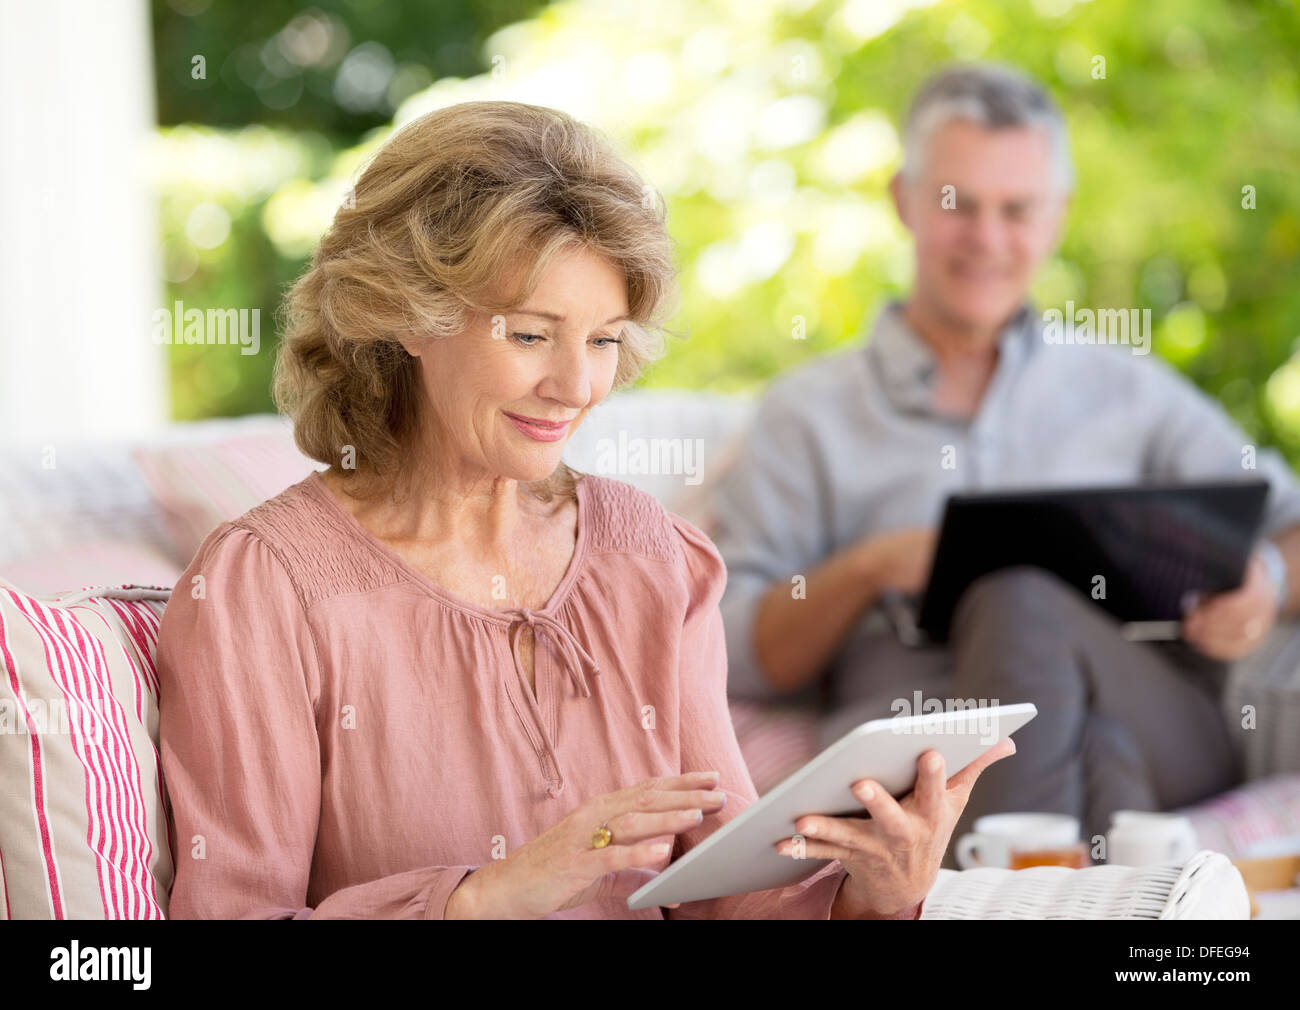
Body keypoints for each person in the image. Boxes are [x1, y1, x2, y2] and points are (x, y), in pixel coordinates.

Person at [156, 99, 1014, 919]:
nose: (576, 388)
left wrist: (872, 893)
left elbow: (728, 894)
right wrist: (484, 897)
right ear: (408, 318)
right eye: (530, 334)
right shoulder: (266, 588)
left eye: (603, 340)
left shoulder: (652, 557)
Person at [710, 64, 1300, 866]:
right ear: (904, 200)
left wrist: (1263, 572)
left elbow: (1288, 521)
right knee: (1094, 756)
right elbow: (737, 649)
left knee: (1023, 598)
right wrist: (873, 566)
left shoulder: (1127, 388)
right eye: (960, 205)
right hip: (920, 755)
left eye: (1017, 210)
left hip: (1160, 721)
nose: (988, 239)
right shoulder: (806, 414)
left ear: (1056, 216)